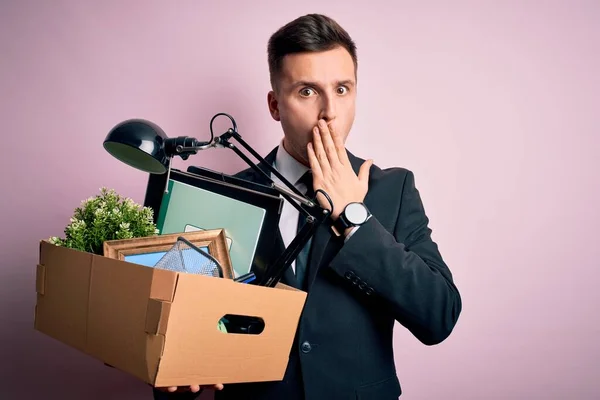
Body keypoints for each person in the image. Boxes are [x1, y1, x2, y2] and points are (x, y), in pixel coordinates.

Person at [153, 13, 462, 400]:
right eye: (307, 92)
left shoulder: (393, 190)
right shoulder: (223, 195)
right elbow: (178, 336)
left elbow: (439, 317)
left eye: (343, 89)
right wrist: (175, 378)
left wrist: (355, 218)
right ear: (274, 105)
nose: (329, 111)